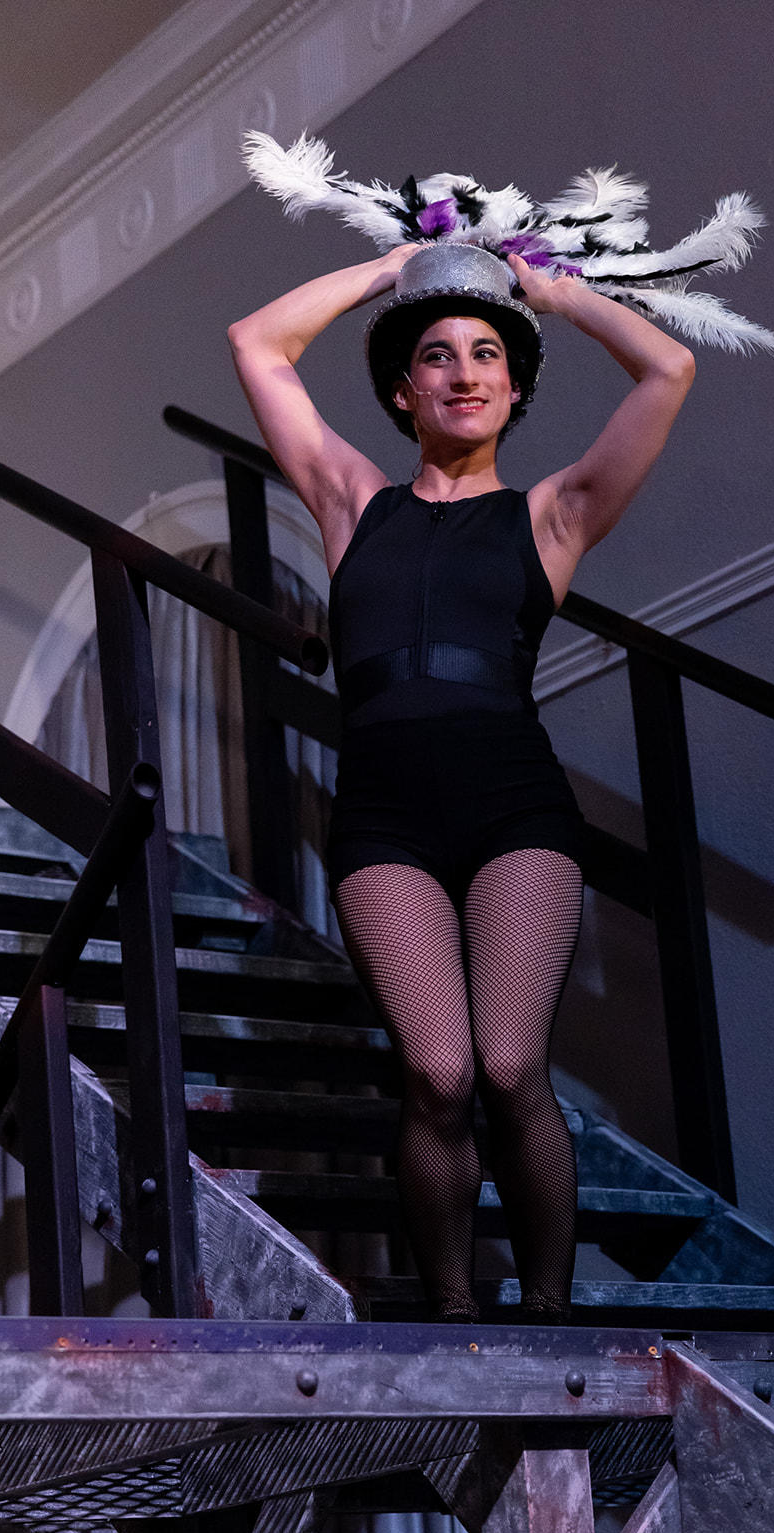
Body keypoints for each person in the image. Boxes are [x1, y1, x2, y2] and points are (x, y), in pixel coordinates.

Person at [229, 240, 694, 1322]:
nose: (465, 372)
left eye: (487, 354)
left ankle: (548, 1315)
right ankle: (451, 1315)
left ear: (515, 388)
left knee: (509, 1063)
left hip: (513, 809)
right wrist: (394, 268)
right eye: (437, 355)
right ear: (404, 391)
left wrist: (554, 295)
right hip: (383, 816)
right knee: (436, 1073)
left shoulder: (552, 515)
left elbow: (667, 369)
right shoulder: (352, 503)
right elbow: (256, 343)